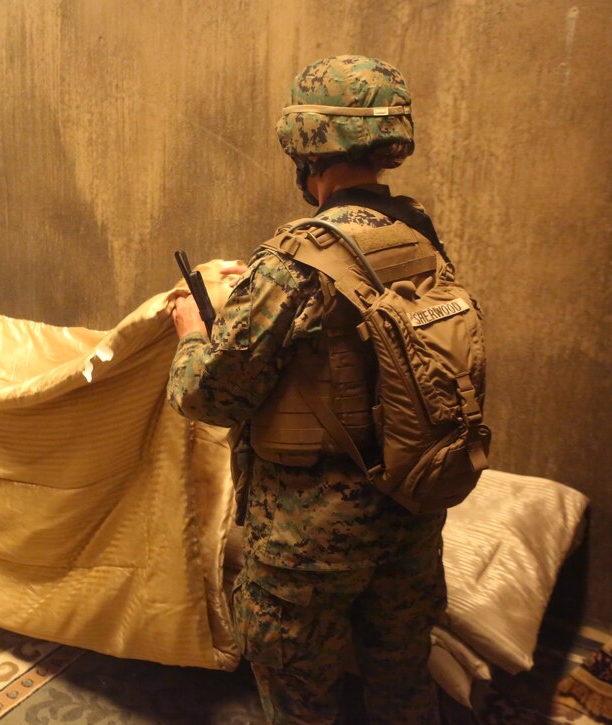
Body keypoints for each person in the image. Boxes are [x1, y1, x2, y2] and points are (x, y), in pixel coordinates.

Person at [167, 56, 449, 723]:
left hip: (309, 536)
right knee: (405, 689)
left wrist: (190, 331)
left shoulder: (295, 259)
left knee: (301, 703)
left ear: (305, 147)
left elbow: (209, 395)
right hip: (411, 508)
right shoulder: (419, 234)